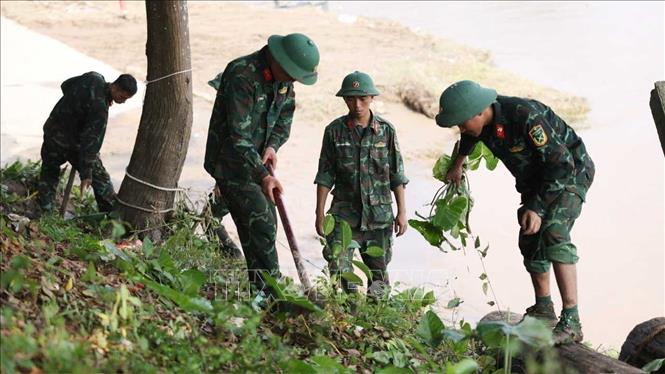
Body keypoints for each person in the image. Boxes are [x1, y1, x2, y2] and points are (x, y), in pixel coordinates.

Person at [436, 80, 595, 344]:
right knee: (530, 236)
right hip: (537, 181)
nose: (461, 129)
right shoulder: (481, 122)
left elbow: (561, 164)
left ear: (480, 112)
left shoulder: (524, 115)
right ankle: (544, 310)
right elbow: (469, 136)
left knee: (554, 232)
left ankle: (572, 321)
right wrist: (458, 163)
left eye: (462, 122)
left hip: (570, 174)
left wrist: (537, 207)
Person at [203, 33, 319, 296]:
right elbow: (238, 135)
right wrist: (263, 175)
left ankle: (261, 291)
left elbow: (284, 117)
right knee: (263, 222)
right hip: (230, 162)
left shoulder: (284, 79)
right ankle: (272, 295)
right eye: (292, 74)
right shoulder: (242, 75)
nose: (292, 81)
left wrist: (272, 146)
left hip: (255, 162)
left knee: (260, 226)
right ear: (277, 59)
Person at [314, 71, 408, 297]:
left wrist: (402, 212)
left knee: (378, 273)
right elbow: (325, 175)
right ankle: (349, 314)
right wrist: (319, 213)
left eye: (362, 99)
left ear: (372, 98)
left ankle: (376, 318)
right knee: (339, 268)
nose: (357, 105)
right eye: (351, 99)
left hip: (379, 216)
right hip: (344, 215)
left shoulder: (386, 131)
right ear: (344, 100)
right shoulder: (334, 131)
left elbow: (397, 174)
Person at [38, 72, 137, 213]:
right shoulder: (100, 109)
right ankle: (112, 216)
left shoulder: (93, 77)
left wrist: (77, 108)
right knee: (101, 179)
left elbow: (66, 85)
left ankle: (44, 211)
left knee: (49, 171)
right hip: (71, 144)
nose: (123, 101)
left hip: (52, 131)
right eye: (122, 97)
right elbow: (89, 143)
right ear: (116, 87)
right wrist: (86, 174)